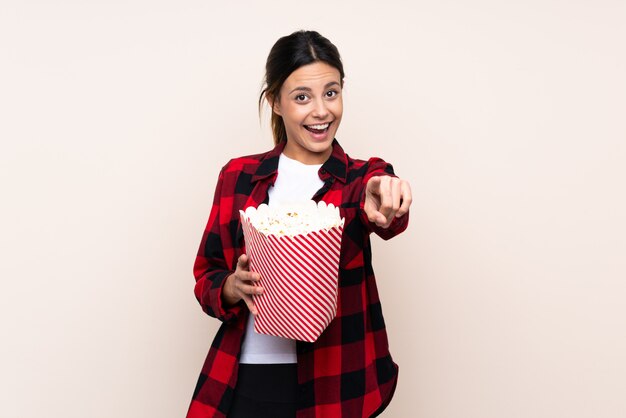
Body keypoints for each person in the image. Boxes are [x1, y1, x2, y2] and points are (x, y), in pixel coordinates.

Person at [186, 30, 412, 418]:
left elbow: (382, 201)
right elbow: (207, 277)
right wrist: (232, 287)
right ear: (275, 101)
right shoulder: (238, 176)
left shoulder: (358, 179)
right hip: (248, 377)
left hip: (335, 383)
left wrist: (386, 193)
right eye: (302, 97)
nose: (321, 111)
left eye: (331, 92)